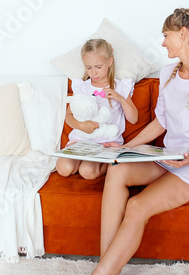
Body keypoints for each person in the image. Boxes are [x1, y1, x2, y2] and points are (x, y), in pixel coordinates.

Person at [53, 8, 189, 275]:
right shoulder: (166, 74)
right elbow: (161, 123)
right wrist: (127, 147)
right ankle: (105, 272)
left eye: (166, 36)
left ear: (184, 35)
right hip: (169, 155)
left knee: (137, 207)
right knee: (118, 170)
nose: (163, 43)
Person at [56, 38, 138, 180]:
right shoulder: (82, 87)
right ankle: (81, 161)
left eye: (98, 67)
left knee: (87, 171)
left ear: (109, 62)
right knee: (63, 168)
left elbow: (134, 118)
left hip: (106, 143)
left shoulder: (119, 87)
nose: (93, 72)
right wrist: (80, 125)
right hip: (81, 140)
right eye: (89, 67)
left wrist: (120, 98)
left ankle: (110, 164)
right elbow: (68, 115)